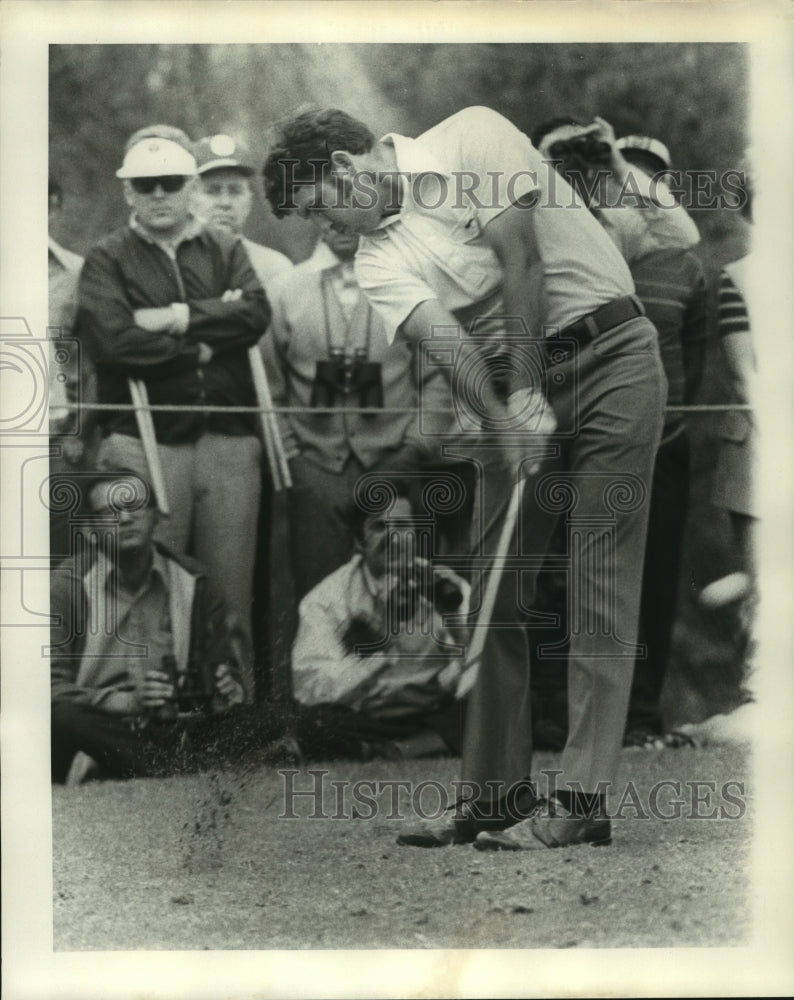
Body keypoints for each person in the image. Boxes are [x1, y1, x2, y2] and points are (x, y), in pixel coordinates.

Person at [264, 105, 666, 850]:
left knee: (598, 577)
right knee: (497, 590)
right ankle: (492, 798)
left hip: (613, 355)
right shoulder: (376, 258)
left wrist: (525, 389)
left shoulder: (471, 136)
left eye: (321, 208)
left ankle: (581, 801)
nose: (326, 230)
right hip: (512, 386)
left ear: (347, 171)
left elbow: (524, 259)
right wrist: (505, 416)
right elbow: (448, 346)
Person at [75, 124, 271, 701]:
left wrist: (171, 317)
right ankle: (157, 713)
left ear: (191, 187)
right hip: (147, 439)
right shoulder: (106, 259)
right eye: (146, 184)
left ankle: (234, 717)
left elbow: (254, 315)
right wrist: (208, 336)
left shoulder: (228, 249)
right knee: (155, 582)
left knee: (230, 590)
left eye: (170, 182)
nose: (159, 193)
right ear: (129, 193)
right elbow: (113, 342)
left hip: (230, 439)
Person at [531, 120, 707, 749]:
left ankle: (636, 721)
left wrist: (612, 162)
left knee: (637, 577)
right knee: (553, 571)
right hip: (556, 416)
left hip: (643, 424)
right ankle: (549, 717)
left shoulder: (626, 224)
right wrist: (541, 165)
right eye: (558, 157)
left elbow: (680, 232)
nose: (571, 168)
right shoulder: (539, 218)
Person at [261, 226, 456, 598]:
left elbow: (439, 380)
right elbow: (268, 390)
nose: (341, 225)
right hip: (316, 468)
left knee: (405, 591)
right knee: (319, 590)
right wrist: (296, 463)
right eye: (329, 215)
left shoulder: (411, 287)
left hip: (396, 466)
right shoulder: (284, 290)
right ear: (313, 216)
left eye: (350, 213)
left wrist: (412, 452)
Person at [50, 469, 246, 783]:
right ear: (89, 531)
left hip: (166, 724)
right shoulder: (65, 587)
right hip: (97, 720)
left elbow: (222, 668)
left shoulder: (195, 582)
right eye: (110, 512)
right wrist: (126, 701)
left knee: (269, 716)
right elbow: (48, 687)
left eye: (136, 506)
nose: (126, 518)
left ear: (156, 516)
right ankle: (169, 765)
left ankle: (121, 763)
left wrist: (226, 687)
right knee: (59, 718)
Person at [289, 485, 469, 760]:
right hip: (368, 715)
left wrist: (452, 619)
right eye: (380, 527)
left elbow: (477, 672)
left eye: (403, 526)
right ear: (359, 542)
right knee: (314, 723)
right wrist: (383, 646)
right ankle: (416, 747)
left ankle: (396, 751)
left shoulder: (444, 586)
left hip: (432, 712)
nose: (394, 537)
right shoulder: (328, 598)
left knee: (500, 704)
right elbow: (311, 689)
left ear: (416, 535)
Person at [48, 178, 98, 560]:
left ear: (53, 206)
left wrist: (79, 427)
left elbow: (92, 359)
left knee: (61, 554)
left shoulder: (77, 273)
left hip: (57, 438)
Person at [191, 132, 293, 288]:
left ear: (249, 201)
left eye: (235, 191)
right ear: (191, 198)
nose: (225, 203)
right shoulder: (169, 265)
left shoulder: (274, 269)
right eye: (212, 191)